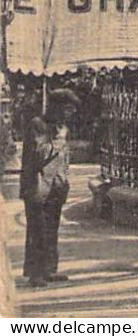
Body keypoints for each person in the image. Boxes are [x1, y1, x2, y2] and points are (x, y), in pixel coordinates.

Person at [22, 89, 78, 287]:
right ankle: (35, 272)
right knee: (37, 229)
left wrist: (65, 180)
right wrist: (59, 140)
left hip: (56, 187)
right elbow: (39, 154)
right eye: (68, 109)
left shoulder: (61, 128)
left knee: (52, 228)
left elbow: (64, 160)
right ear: (58, 108)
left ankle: (49, 269)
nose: (70, 114)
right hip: (37, 186)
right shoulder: (38, 125)